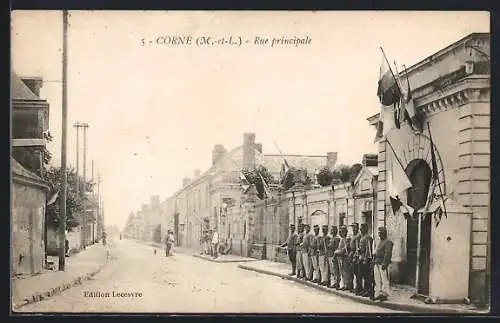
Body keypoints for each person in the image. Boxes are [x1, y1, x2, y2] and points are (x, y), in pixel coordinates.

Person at [373, 226, 393, 302]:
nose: (379, 234)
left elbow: (388, 254)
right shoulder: (380, 241)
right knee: (377, 279)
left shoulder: (388, 242)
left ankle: (385, 294)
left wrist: (385, 263)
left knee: (384, 280)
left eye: (381, 233)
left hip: (383, 263)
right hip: (377, 262)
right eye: (379, 233)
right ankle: (378, 294)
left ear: (385, 233)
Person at [358, 223, 374, 298]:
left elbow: (368, 250)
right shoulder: (362, 237)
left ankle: (368, 291)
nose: (360, 229)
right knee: (363, 276)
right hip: (361, 258)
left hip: (365, 259)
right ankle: (364, 290)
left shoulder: (368, 237)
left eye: (362, 228)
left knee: (367, 276)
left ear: (366, 229)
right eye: (360, 228)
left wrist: (366, 259)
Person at [335, 226, 349, 290]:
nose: (342, 233)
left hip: (344, 258)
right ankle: (343, 284)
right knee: (341, 272)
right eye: (341, 231)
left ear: (346, 232)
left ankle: (346, 285)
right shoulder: (341, 239)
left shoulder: (347, 239)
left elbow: (344, 249)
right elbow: (339, 248)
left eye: (343, 231)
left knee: (345, 272)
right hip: (340, 257)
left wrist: (337, 252)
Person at [349, 223, 362, 294]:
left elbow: (358, 248)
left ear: (357, 228)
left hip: (355, 256)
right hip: (351, 255)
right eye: (353, 227)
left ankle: (358, 288)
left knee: (357, 273)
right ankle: (352, 287)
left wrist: (356, 257)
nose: (353, 229)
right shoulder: (352, 236)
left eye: (355, 227)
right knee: (352, 272)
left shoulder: (358, 236)